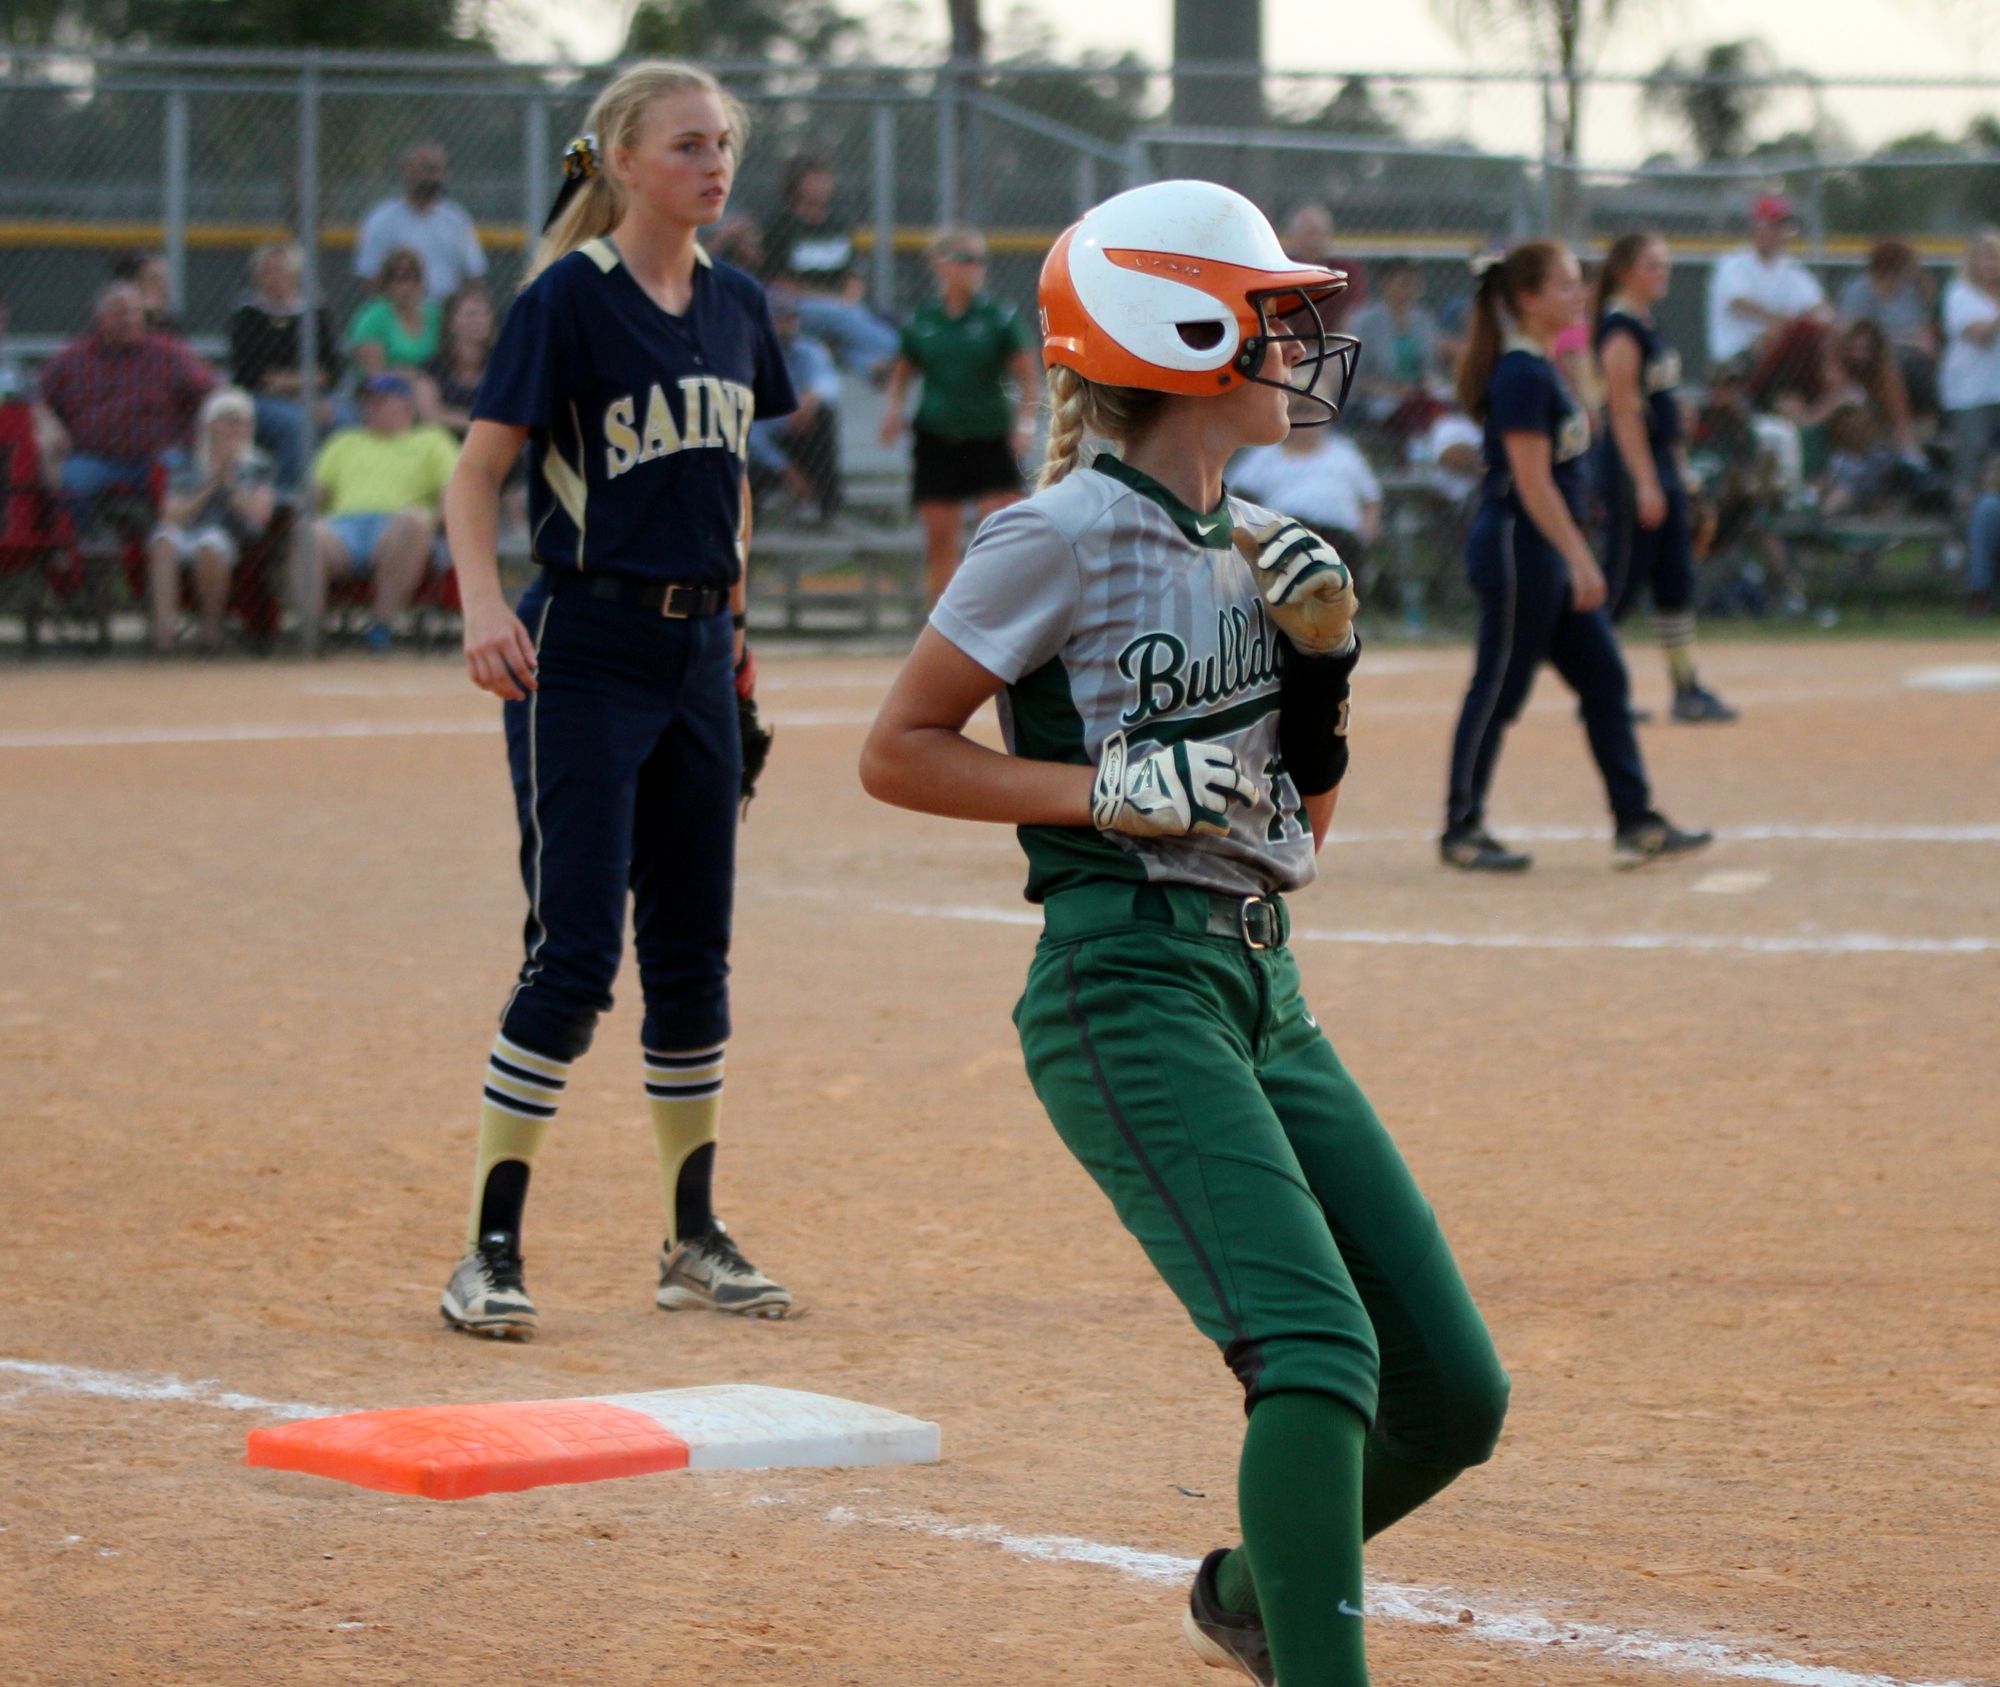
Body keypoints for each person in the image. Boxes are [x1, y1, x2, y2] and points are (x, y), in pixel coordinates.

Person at [860, 179, 1508, 1687]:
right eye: (1276, 313)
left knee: (1452, 1397)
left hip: (1260, 984)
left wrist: (1326, 665)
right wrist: (1108, 787)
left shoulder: (1265, 538)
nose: (1305, 339)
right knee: (1318, 1354)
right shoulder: (1063, 530)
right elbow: (899, 748)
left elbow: (1301, 834)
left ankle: (1240, 1589)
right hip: (1123, 980)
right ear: (1182, 325)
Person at [439, 61, 799, 1339]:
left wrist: (739, 626)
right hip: (580, 649)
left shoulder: (738, 303)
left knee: (693, 954)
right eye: (688, 145)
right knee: (578, 951)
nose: (714, 165)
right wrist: (486, 605)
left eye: (722, 146)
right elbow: (476, 475)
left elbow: (732, 471)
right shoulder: (566, 303)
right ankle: (487, 1249)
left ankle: (689, 1237)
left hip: (698, 656)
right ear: (626, 162)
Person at [1442, 242, 1712, 873]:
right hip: (1519, 548)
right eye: (1564, 286)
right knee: (1499, 689)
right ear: (1528, 299)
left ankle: (1635, 821)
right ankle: (1461, 827)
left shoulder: (1544, 368)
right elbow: (1532, 484)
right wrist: (1582, 560)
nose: (1580, 295)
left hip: (1544, 550)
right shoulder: (1519, 374)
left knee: (1604, 678)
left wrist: (1571, 558)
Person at [1593, 232, 1736, 723]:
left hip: (1660, 469)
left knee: (1675, 578)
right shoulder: (1619, 330)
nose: (1664, 272)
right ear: (1627, 271)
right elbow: (1623, 411)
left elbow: (1663, 414)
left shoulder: (1645, 326)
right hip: (1636, 471)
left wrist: (1681, 477)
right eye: (1653, 265)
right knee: (1620, 583)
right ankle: (1598, 691)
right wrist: (1647, 481)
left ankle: (1687, 688)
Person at [878, 227, 1040, 601]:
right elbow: (902, 374)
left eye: (979, 260)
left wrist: (1025, 424)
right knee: (940, 539)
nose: (974, 268)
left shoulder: (998, 317)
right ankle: (943, 625)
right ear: (941, 263)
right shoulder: (925, 318)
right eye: (965, 258)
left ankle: (998, 616)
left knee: (999, 533)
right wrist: (892, 411)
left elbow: (1029, 379)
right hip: (939, 438)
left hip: (988, 436)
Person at [36, 280, 215, 526]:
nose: (129, 320)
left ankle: (169, 540)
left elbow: (213, 391)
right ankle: (90, 545)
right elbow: (38, 398)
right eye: (120, 312)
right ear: (100, 318)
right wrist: (48, 425)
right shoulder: (73, 358)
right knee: (72, 481)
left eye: (135, 312)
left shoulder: (169, 353)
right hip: (93, 457)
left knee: (182, 476)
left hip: (158, 456)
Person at [310, 372, 459, 651]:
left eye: (381, 401)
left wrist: (437, 521)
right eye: (369, 401)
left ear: (406, 407)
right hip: (343, 528)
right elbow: (315, 494)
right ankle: (312, 636)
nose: (372, 407)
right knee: (308, 532)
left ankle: (381, 627)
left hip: (397, 528)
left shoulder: (431, 440)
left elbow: (452, 491)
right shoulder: (344, 440)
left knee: (413, 519)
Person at [145, 386, 274, 653]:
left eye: (242, 422)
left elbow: (259, 516)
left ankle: (211, 631)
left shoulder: (258, 465)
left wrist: (228, 482)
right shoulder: (185, 462)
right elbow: (171, 515)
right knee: (162, 540)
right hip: (187, 530)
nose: (235, 428)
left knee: (210, 544)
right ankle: (164, 635)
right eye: (227, 421)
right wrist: (211, 480)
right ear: (209, 425)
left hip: (233, 536)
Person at [758, 152, 899, 376]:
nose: (822, 186)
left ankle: (873, 369)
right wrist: (836, 303)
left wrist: (847, 301)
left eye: (825, 179)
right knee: (842, 317)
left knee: (846, 327)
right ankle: (903, 352)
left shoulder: (839, 223)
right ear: (796, 185)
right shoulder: (781, 224)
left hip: (842, 306)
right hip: (796, 307)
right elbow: (780, 282)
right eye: (813, 180)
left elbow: (854, 276)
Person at [227, 241, 342, 488]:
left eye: (280, 270)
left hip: (312, 396)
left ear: (294, 273)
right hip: (259, 399)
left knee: (345, 419)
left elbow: (332, 369)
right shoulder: (247, 313)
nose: (273, 277)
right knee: (296, 425)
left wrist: (293, 384)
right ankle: (288, 499)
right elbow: (250, 373)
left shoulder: (315, 311)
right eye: (267, 271)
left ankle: (335, 494)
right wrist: (306, 382)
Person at [1229, 423, 1382, 569]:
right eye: (1299, 411)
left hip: (1340, 535)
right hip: (1287, 532)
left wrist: (1366, 533)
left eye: (1313, 411)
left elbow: (1370, 497)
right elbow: (1235, 493)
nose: (1307, 419)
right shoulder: (1266, 454)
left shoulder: (1344, 452)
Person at [747, 286, 842, 520]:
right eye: (779, 318)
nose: (787, 325)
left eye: (791, 318)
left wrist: (810, 398)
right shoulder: (747, 356)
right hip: (760, 448)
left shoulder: (807, 350)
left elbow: (828, 381)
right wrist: (786, 470)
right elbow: (750, 431)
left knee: (824, 415)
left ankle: (827, 509)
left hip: (796, 430)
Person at [1706, 195, 1829, 373]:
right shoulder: (1732, 263)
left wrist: (1822, 322)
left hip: (1777, 357)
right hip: (1734, 358)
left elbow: (1819, 308)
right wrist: (1781, 323)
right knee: (1773, 340)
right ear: (1757, 228)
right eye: (1773, 225)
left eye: (1782, 227)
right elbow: (1738, 303)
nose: (1779, 232)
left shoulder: (1792, 269)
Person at [355, 143, 487, 301]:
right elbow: (370, 278)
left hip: (446, 314)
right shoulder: (382, 220)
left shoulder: (456, 219)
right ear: (406, 172)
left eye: (440, 170)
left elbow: (473, 274)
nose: (435, 177)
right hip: (400, 315)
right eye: (428, 169)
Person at [1837, 239, 1938, 416]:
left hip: (1912, 354)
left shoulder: (1909, 293)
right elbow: (1855, 332)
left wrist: (1925, 341)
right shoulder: (1858, 291)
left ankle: (1926, 419)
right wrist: (1909, 341)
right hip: (1873, 354)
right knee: (1903, 363)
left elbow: (1921, 327)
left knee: (1922, 366)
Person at [1941, 229, 2000, 513]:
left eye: (1995, 256)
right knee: (1972, 462)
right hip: (1971, 394)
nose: (1991, 262)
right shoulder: (1959, 295)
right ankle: (1961, 532)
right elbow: (1981, 335)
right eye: (1984, 256)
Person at [1347, 259, 1443, 433]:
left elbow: (1431, 368)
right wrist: (1393, 390)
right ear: (1385, 285)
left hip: (1419, 395)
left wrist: (1426, 386)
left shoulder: (1424, 320)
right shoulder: (1365, 322)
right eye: (1403, 283)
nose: (1410, 290)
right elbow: (1354, 376)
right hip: (1380, 398)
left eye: (1415, 284)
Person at [345, 247, 442, 382]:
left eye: (415, 278)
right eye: (401, 279)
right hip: (386, 393)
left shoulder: (435, 315)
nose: (408, 286)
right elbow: (375, 375)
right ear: (387, 283)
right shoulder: (373, 318)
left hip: (433, 388)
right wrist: (411, 376)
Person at [421, 288, 497, 437]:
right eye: (471, 314)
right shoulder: (432, 368)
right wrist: (483, 423)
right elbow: (430, 416)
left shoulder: (502, 365)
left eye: (485, 314)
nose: (480, 319)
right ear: (451, 321)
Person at [1281, 201, 1364, 326]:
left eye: (1316, 232)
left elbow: (1352, 313)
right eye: (1305, 232)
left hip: (1334, 341)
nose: (1311, 240)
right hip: (1289, 342)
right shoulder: (1281, 269)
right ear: (1293, 236)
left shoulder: (1345, 269)